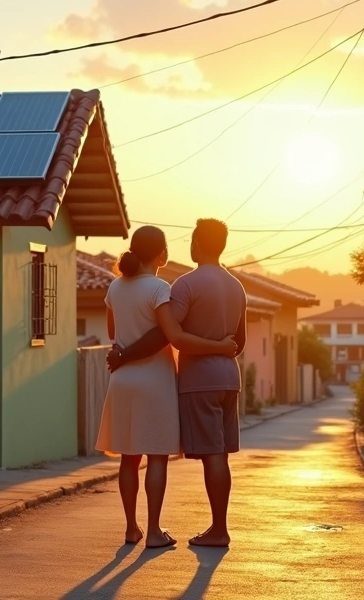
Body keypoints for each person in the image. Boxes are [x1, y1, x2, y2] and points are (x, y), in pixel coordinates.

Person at [96, 225, 240, 549]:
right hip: (154, 378)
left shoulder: (115, 288)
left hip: (121, 379)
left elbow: (112, 332)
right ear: (162, 254)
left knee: (128, 458)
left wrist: (123, 351)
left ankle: (131, 528)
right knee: (156, 457)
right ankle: (155, 531)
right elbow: (172, 335)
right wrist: (219, 346)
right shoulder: (161, 288)